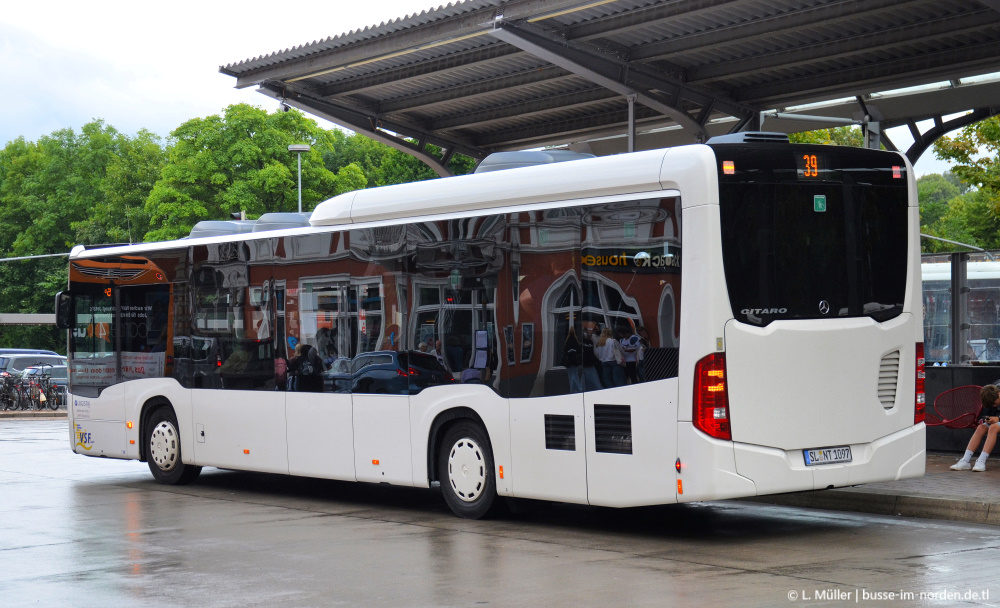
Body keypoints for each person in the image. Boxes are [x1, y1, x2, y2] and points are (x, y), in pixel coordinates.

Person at [950, 384, 1000, 471]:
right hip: (996, 422)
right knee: (981, 427)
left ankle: (981, 461)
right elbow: (985, 413)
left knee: (993, 428)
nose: (994, 406)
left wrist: (998, 418)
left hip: (997, 423)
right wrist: (987, 419)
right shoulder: (990, 397)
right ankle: (965, 460)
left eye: (995, 404)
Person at [563, 326, 583, 393]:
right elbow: (579, 350)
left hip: (569, 362)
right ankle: (579, 389)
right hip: (575, 361)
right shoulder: (576, 340)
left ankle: (572, 390)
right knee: (575, 376)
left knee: (571, 377)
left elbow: (565, 351)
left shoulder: (567, 341)